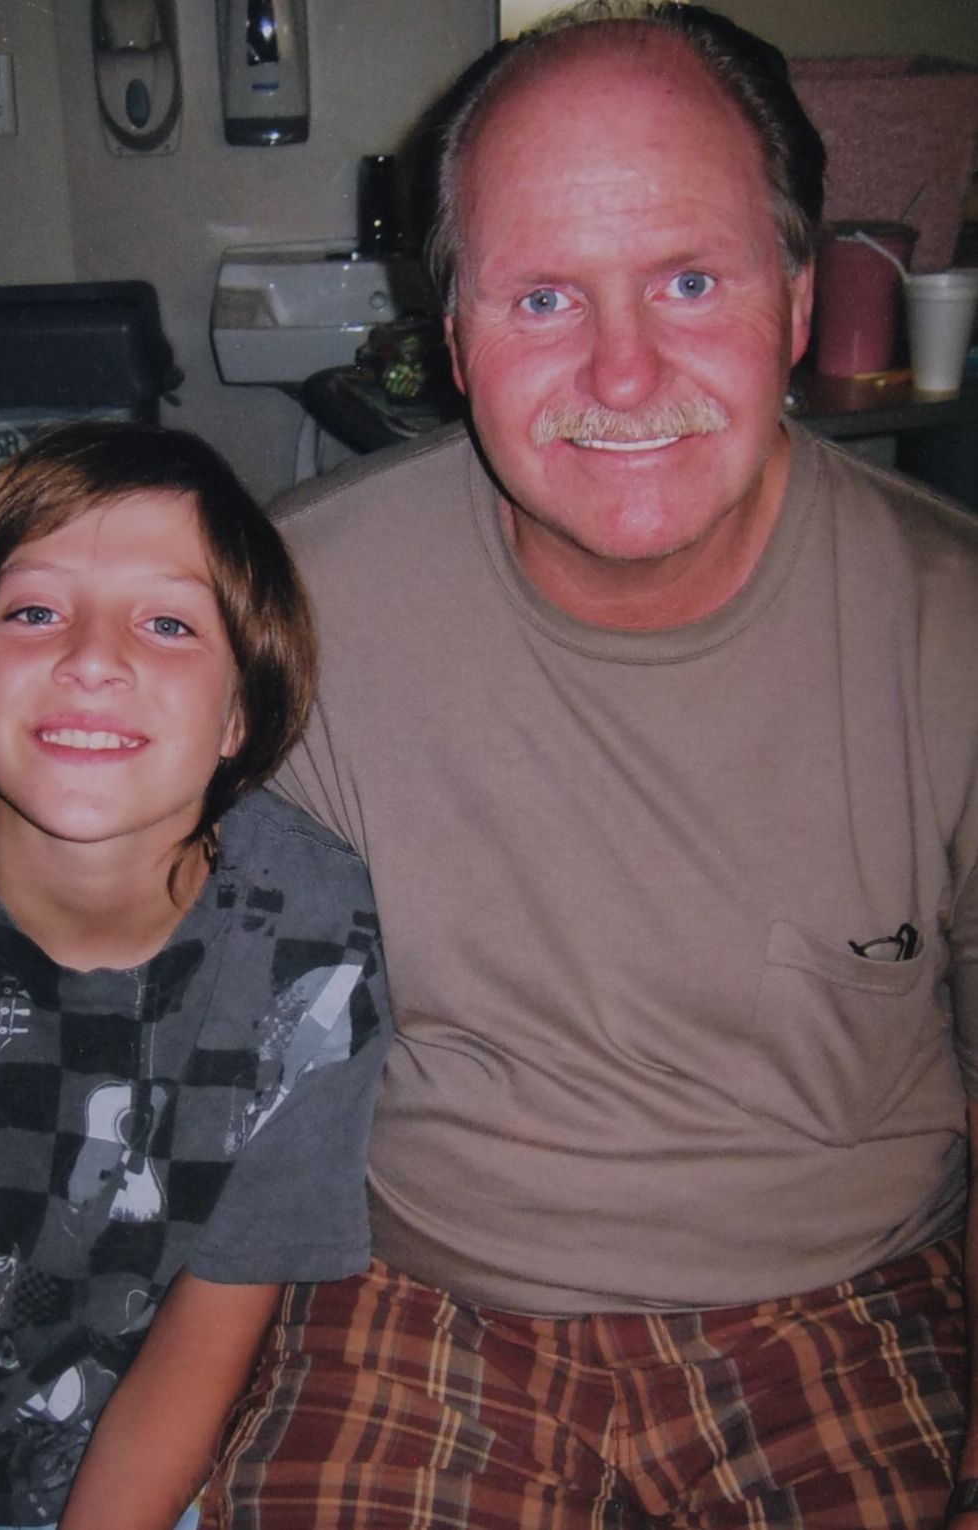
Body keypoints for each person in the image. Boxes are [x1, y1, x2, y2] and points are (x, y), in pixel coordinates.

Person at [191, 5, 978, 1528]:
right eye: (544, 296)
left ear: (797, 301)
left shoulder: (951, 628)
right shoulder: (292, 605)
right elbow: (90, 913)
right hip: (414, 1295)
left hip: (852, 1289)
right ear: (454, 338)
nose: (622, 374)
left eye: (689, 281)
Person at [0, 420, 391, 1530]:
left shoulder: (313, 948)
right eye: (34, 612)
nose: (90, 658)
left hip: (169, 1451)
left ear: (240, 712)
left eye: (168, 623)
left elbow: (207, 1342)